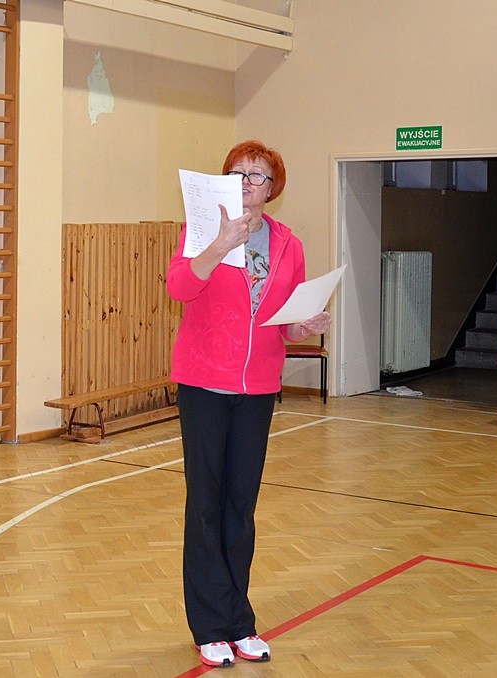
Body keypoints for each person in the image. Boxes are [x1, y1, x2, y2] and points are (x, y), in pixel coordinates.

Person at [166, 140, 330, 668]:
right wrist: (218, 246)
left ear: (272, 188)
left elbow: (285, 317)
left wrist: (304, 325)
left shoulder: (287, 244)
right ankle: (209, 626)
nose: (246, 183)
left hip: (257, 389)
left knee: (240, 507)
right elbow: (178, 287)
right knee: (205, 505)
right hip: (204, 384)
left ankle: (239, 622)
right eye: (237, 173)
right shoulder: (201, 229)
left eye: (257, 175)